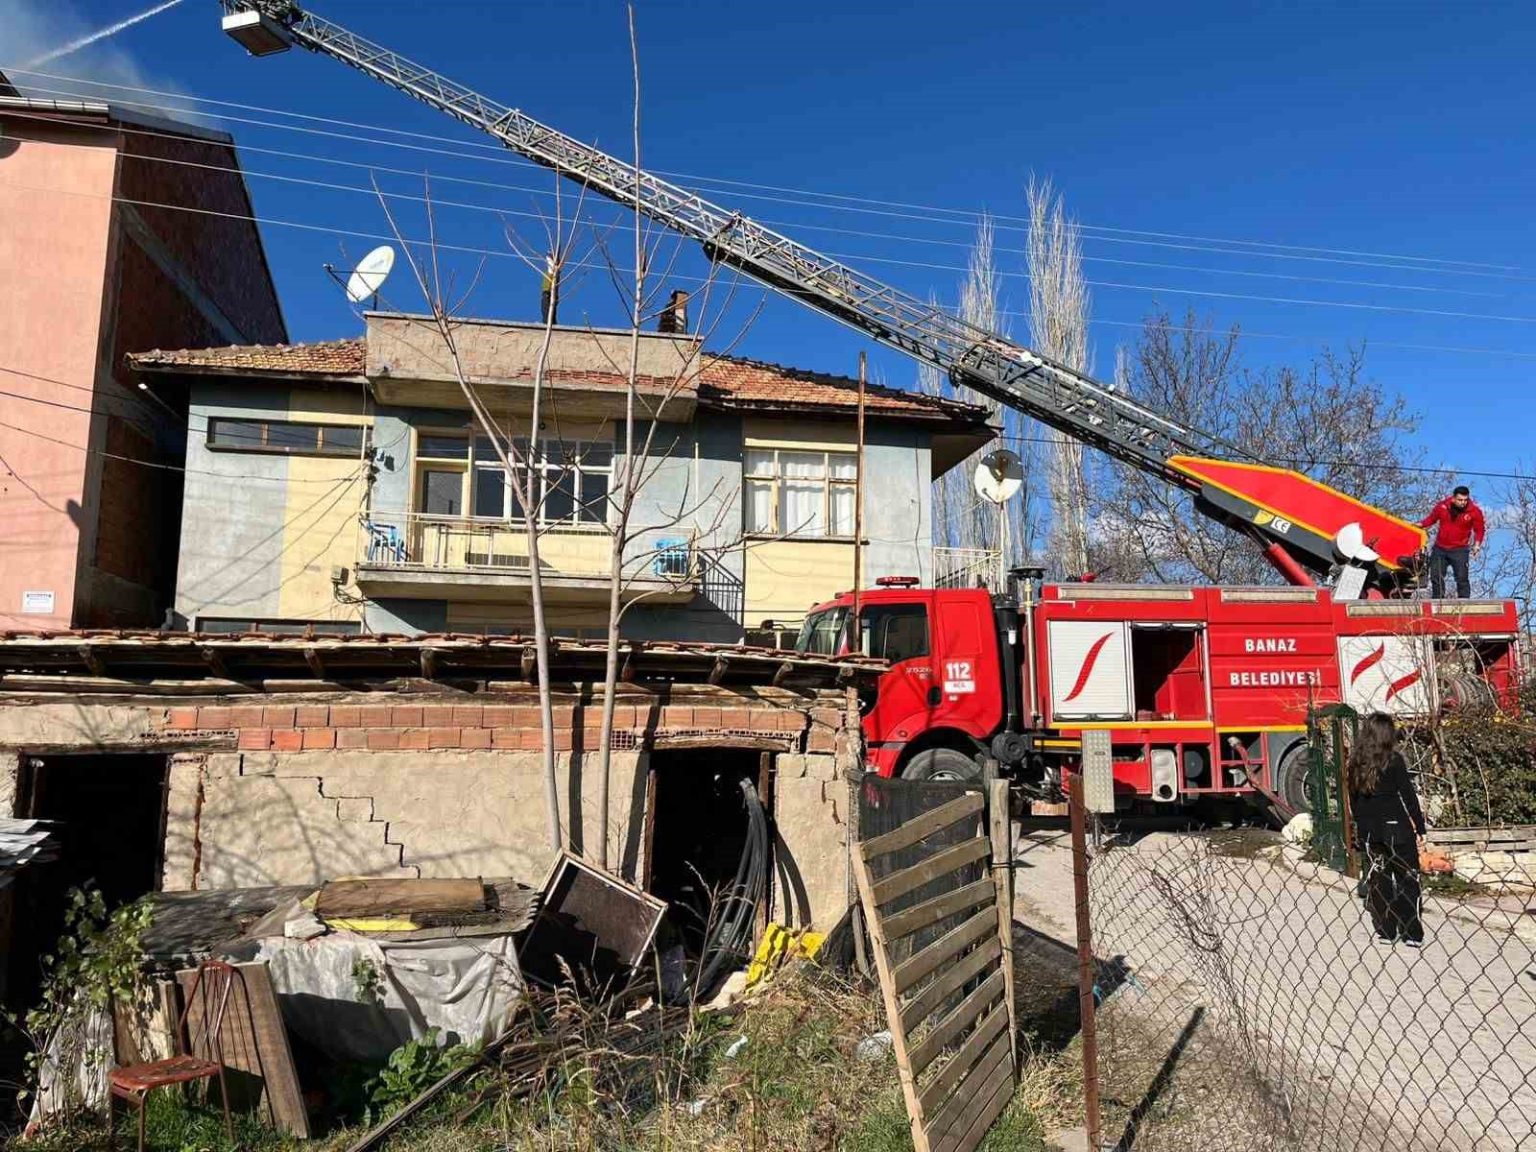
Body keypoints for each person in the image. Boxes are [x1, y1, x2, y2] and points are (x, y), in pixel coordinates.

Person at [1347, 712, 1426, 946]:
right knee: (1407, 878)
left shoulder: (1356, 763)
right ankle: (1411, 932)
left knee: (1380, 880)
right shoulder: (1393, 760)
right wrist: (1420, 826)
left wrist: (1361, 828)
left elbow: (1354, 800)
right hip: (1396, 828)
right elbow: (1408, 795)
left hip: (1371, 831)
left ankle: (1386, 930)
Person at [1419, 485, 1486, 599]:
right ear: (1453, 498)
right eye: (1460, 500)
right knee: (1436, 575)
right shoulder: (1443, 506)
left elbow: (1479, 530)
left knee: (1461, 577)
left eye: (1465, 500)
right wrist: (1420, 524)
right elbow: (1431, 519)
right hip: (1440, 548)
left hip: (1460, 550)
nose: (1463, 503)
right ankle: (1438, 599)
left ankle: (1464, 601)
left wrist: (1477, 544)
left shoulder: (1474, 512)